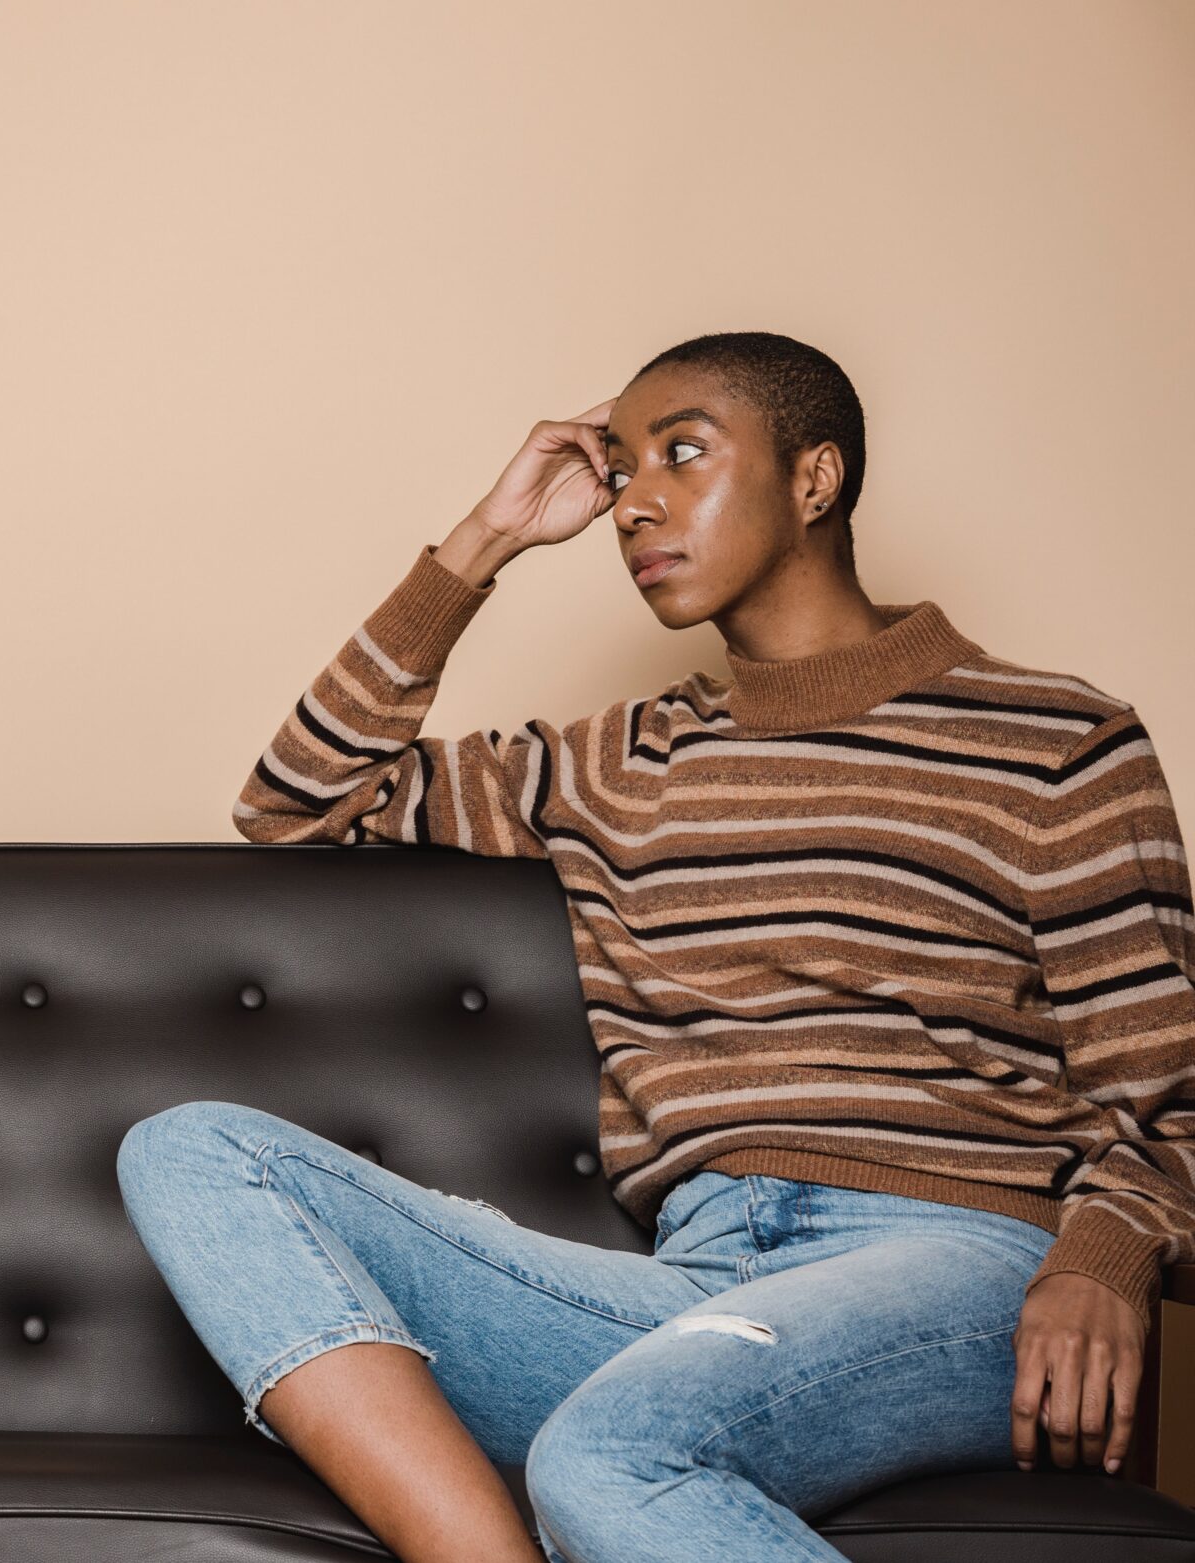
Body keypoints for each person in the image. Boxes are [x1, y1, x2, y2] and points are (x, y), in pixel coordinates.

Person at [117, 332, 1195, 1562]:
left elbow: (1163, 1097)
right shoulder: (618, 760)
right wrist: (485, 541)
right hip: (694, 1289)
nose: (636, 504)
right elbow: (298, 797)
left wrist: (1101, 1265)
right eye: (622, 471)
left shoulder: (1055, 743)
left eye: (683, 454)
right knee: (193, 1149)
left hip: (953, 1271)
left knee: (609, 1455)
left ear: (813, 480)